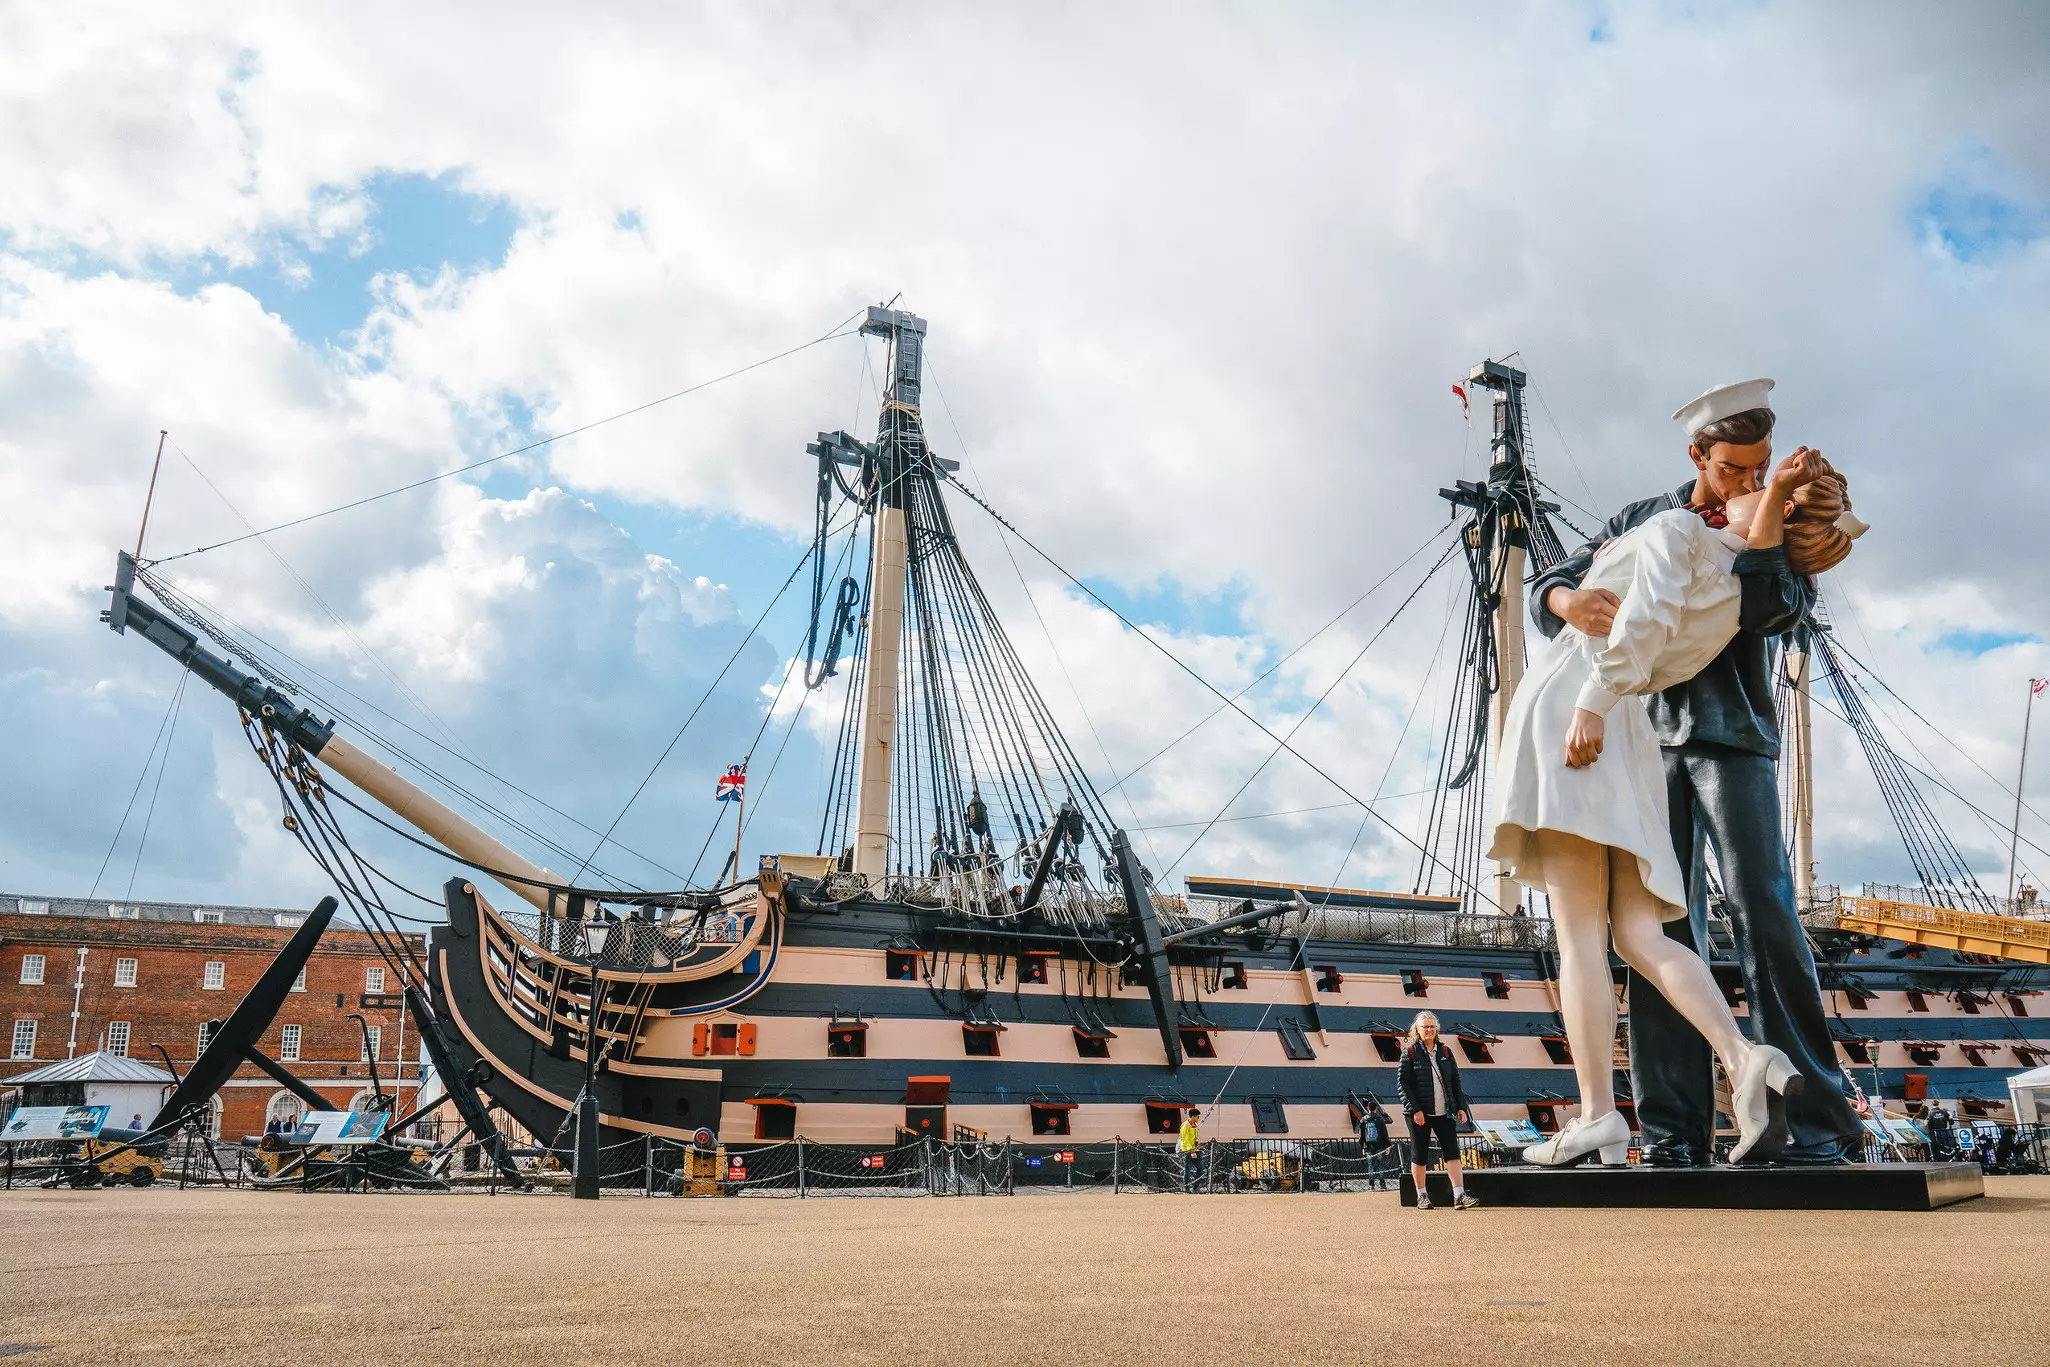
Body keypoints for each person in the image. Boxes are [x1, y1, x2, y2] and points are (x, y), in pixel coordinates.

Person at [1526, 378, 1867, 1167]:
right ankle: (1676, 1131)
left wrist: (1774, 517)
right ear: (1697, 456)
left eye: (1760, 466)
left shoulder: (1769, 515)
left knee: (1766, 914)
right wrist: (1566, 598)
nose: (1750, 479)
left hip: (1732, 735)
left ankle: (1818, 1123)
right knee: (1663, 929)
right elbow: (1553, 587)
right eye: (1735, 468)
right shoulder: (1642, 519)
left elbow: (1773, 611)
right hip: (1643, 744)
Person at [1397, 1012, 1478, 1209]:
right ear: (1417, 1029)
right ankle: (1421, 1195)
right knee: (1419, 1154)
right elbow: (1402, 1084)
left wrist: (1460, 1107)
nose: (1430, 1030)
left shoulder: (1445, 1052)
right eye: (1425, 1027)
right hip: (1420, 1114)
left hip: (1445, 1112)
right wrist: (1415, 1110)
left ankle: (1459, 1196)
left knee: (1453, 1153)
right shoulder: (1410, 1052)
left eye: (1433, 1026)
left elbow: (1455, 1082)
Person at [1356, 1097, 1395, 1190]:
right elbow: (1384, 1134)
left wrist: (1363, 1147)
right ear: (1376, 1108)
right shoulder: (1380, 1119)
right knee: (1381, 1165)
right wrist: (1388, 1146)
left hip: (1369, 1146)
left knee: (1370, 1166)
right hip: (1379, 1146)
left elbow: (1361, 1135)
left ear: (1367, 1108)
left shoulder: (1363, 1120)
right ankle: (1382, 1185)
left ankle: (1371, 1185)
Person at [1177, 1107, 1201, 1192]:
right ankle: (1186, 1187)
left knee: (1200, 1168)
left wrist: (1198, 1141)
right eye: (1197, 1116)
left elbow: (1196, 1135)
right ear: (1193, 1117)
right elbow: (1185, 1139)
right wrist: (1191, 1151)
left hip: (1195, 1149)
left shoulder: (1195, 1125)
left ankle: (1196, 1186)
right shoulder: (1185, 1126)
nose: (1198, 1118)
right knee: (1187, 1169)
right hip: (1187, 1151)